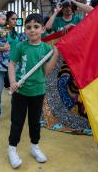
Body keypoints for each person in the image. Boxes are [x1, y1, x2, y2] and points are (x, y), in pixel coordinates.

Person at [7, 13, 59, 169]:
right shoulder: (20, 46)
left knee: (34, 122)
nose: (32, 30)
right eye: (28, 27)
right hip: (20, 92)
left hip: (38, 91)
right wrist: (13, 82)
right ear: (25, 29)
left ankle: (35, 147)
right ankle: (12, 149)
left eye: (36, 27)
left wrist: (55, 54)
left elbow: (47, 71)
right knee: (17, 121)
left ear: (42, 29)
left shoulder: (46, 48)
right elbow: (11, 64)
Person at [4, 11, 19, 89]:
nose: (15, 21)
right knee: (6, 85)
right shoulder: (3, 32)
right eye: (13, 19)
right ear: (7, 20)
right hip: (4, 62)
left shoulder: (15, 33)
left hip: (14, 60)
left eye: (16, 19)